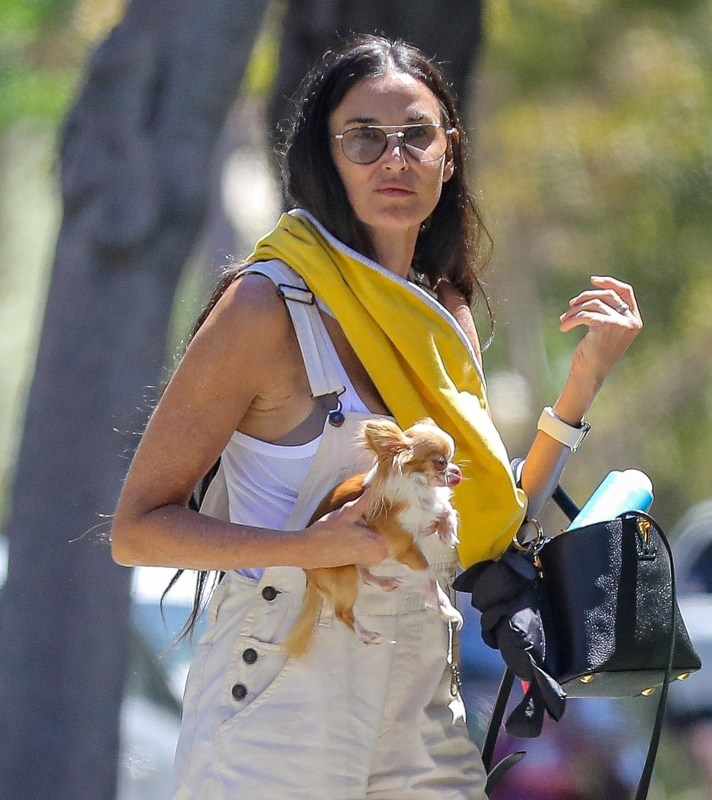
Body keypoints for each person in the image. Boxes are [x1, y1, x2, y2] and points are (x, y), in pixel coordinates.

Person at [111, 34, 642, 800]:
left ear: (449, 155)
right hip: (279, 696)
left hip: (422, 689)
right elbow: (136, 529)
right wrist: (308, 547)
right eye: (364, 137)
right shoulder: (266, 307)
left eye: (416, 135)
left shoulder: (443, 317)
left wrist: (582, 384)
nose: (394, 158)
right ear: (328, 159)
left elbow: (488, 517)